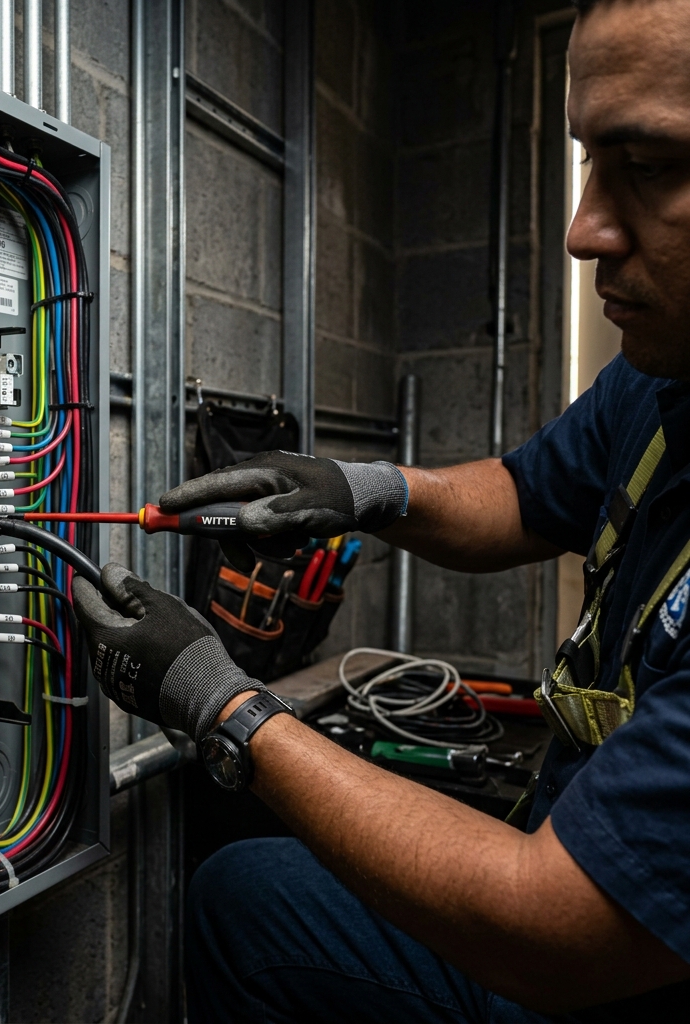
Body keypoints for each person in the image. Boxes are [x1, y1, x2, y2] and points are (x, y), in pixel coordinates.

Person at [72, 0, 690, 1019]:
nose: (584, 227)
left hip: (591, 967)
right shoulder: (659, 379)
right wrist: (365, 491)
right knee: (250, 899)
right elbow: (525, 495)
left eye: (651, 165)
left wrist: (224, 707)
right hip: (571, 877)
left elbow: (561, 928)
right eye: (589, 160)